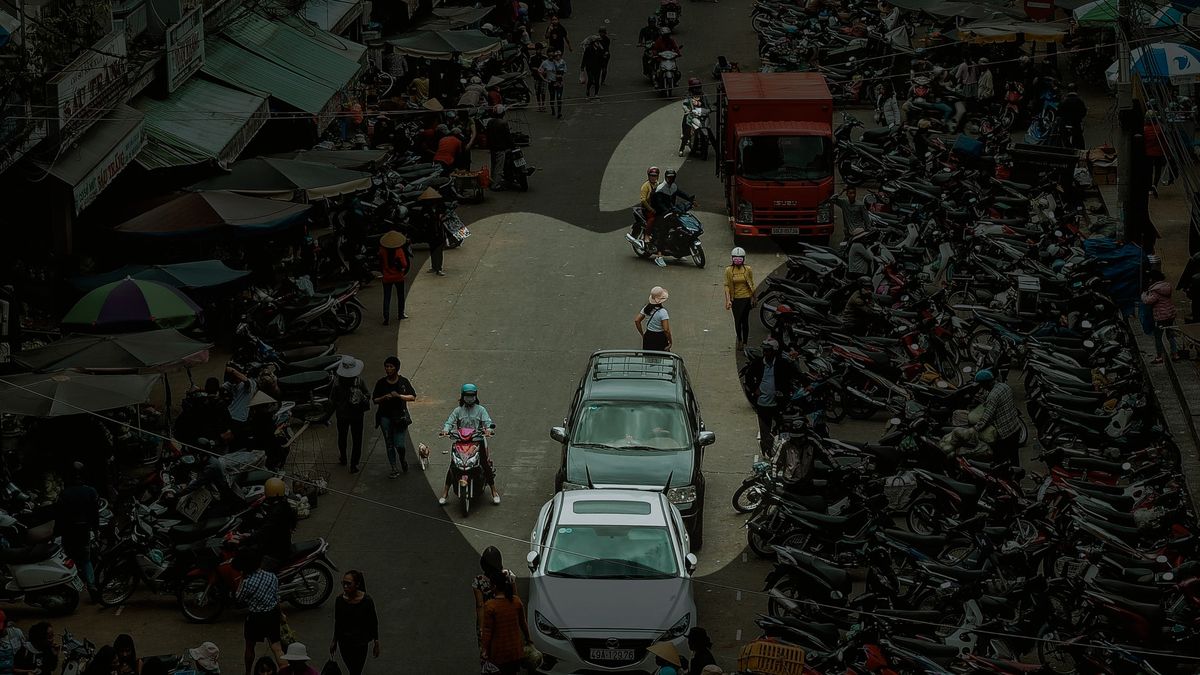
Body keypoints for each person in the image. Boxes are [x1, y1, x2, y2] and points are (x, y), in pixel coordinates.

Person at [439, 384, 499, 505]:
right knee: (453, 466)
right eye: (467, 395)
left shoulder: (481, 410)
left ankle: (494, 491)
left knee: (484, 463)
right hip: (461, 442)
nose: (469, 398)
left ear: (475, 396)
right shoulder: (458, 410)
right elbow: (449, 422)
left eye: (472, 395)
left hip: (477, 441)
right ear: (463, 396)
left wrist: (488, 429)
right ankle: (445, 492)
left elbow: (488, 422)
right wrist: (446, 430)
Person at [742, 338, 798, 455]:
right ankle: (766, 452)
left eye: (768, 351)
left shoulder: (782, 364)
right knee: (764, 431)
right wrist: (754, 389)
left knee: (782, 429)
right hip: (763, 404)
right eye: (764, 350)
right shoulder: (758, 363)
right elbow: (748, 377)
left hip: (778, 404)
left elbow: (795, 374)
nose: (765, 353)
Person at [54, 462, 99, 601]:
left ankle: (71, 588)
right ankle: (92, 586)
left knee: (68, 560)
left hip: (68, 532)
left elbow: (59, 516)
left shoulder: (64, 494)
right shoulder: (91, 491)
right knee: (86, 560)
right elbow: (95, 514)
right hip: (83, 531)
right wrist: (96, 530)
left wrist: (56, 533)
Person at [238, 548, 283, 675]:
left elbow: (239, 598)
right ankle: (285, 671)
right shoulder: (272, 576)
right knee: (277, 648)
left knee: (250, 647)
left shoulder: (247, 582)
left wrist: (241, 578)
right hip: (272, 615)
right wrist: (281, 614)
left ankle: (248, 673)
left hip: (255, 618)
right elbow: (276, 597)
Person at [479, 568, 532, 675]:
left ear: (494, 586)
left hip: (499, 653)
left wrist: (484, 650)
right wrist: (528, 639)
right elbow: (523, 623)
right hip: (515, 651)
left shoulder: (490, 606)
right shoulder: (516, 601)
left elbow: (487, 631)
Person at [373, 356, 417, 478]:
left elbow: (412, 397)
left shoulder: (403, 382)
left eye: (391, 366)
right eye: (386, 366)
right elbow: (375, 400)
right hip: (385, 417)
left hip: (400, 417)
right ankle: (393, 467)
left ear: (396, 368)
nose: (388, 369)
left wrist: (399, 396)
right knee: (389, 443)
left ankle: (402, 459)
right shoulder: (381, 383)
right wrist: (383, 398)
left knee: (400, 444)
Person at [327, 356, 371, 472]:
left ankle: (344, 458)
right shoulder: (359, 381)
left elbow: (332, 401)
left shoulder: (336, 383)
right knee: (356, 440)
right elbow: (368, 395)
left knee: (343, 438)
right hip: (355, 415)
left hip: (343, 415)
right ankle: (354, 464)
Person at [330, 571, 379, 675]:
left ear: (357, 585)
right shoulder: (339, 600)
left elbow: (373, 622)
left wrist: (376, 641)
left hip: (360, 643)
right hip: (344, 642)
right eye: (343, 583)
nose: (345, 586)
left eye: (348, 583)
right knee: (351, 667)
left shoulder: (367, 601)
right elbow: (338, 622)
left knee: (356, 670)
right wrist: (334, 640)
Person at [973, 369, 1022, 467]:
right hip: (1015, 428)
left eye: (981, 385)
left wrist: (974, 430)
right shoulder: (1004, 386)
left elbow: (986, 418)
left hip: (1005, 434)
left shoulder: (993, 396)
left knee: (1002, 460)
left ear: (986, 383)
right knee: (1014, 456)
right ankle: (1017, 476)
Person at [244, 478, 295, 566]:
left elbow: (265, 530)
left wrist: (248, 537)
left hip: (276, 552)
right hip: (281, 543)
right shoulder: (284, 505)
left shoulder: (276, 512)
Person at [649, 169, 694, 265]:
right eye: (669, 177)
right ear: (665, 177)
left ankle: (679, 252)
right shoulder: (660, 189)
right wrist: (666, 210)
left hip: (671, 212)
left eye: (672, 177)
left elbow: (681, 193)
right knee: (663, 231)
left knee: (680, 228)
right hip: (661, 213)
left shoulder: (673, 186)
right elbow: (659, 203)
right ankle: (659, 255)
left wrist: (690, 199)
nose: (670, 179)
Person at [473, 547, 518, 639]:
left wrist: (481, 628)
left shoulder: (478, 581)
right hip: (505, 618)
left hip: (488, 619)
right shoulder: (508, 575)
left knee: (487, 651)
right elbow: (515, 597)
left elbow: (480, 605)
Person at [1143, 269, 1182, 363]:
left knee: (1158, 336)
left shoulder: (1155, 290)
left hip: (1161, 317)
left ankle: (1159, 356)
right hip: (1170, 314)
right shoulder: (1166, 286)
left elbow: (1148, 301)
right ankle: (1175, 354)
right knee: (1170, 335)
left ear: (1153, 279)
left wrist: (1143, 295)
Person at [724, 248, 755, 350]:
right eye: (735, 258)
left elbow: (751, 283)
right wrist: (728, 300)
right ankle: (740, 340)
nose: (737, 260)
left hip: (746, 298)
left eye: (740, 258)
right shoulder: (729, 270)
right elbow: (727, 286)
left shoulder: (747, 269)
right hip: (735, 299)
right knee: (737, 321)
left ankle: (745, 342)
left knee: (745, 321)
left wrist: (753, 297)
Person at [378, 230, 410, 325]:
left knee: (387, 297)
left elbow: (380, 263)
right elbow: (404, 263)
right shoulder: (399, 251)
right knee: (400, 296)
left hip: (387, 277)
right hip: (398, 277)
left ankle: (386, 317)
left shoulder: (382, 251)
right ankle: (400, 314)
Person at [485, 106, 515, 190]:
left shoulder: (490, 122)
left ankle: (492, 181)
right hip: (501, 148)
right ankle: (495, 185)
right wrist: (513, 146)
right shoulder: (503, 123)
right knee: (499, 167)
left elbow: (487, 135)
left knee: (493, 166)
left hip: (492, 148)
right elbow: (508, 137)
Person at [635, 287, 672, 351]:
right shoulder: (663, 312)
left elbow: (637, 320)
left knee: (648, 356)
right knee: (662, 357)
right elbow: (666, 330)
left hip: (648, 336)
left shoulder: (646, 308)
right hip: (660, 338)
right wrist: (670, 342)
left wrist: (642, 334)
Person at [1144, 112, 1168, 195]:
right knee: (1158, 170)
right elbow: (1164, 141)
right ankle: (1155, 184)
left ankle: (1149, 188)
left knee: (1148, 171)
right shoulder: (1160, 128)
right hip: (1159, 153)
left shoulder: (1145, 129)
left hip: (1148, 154)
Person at [1058, 85, 1087, 150]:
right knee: (1080, 140)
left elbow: (1059, 112)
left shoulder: (1064, 101)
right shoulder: (1079, 101)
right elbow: (1083, 112)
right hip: (1076, 124)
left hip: (1065, 124)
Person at [539, 49, 566, 119]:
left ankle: (559, 112)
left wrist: (561, 78)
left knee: (559, 97)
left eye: (552, 55)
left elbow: (564, 71)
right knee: (552, 97)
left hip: (559, 83)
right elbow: (539, 71)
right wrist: (545, 79)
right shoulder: (545, 63)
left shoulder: (560, 62)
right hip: (551, 83)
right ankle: (553, 109)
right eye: (549, 55)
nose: (551, 57)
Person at [639, 166, 660, 247]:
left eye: (655, 176)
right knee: (652, 219)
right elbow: (643, 200)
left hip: (657, 207)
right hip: (647, 208)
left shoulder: (658, 184)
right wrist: (650, 209)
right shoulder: (645, 186)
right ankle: (647, 235)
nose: (653, 177)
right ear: (648, 176)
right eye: (652, 175)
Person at [528, 42, 548, 111]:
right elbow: (531, 67)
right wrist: (537, 69)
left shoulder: (545, 58)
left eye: (540, 49)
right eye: (538, 49)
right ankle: (539, 105)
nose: (539, 51)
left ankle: (543, 104)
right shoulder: (532, 58)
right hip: (536, 77)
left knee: (543, 92)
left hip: (543, 78)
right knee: (537, 92)